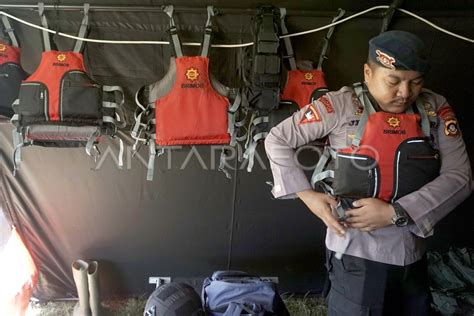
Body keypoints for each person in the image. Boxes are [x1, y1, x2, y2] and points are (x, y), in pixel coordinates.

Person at [264, 30, 472, 315]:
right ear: (368, 72)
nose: (404, 93)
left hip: (412, 248)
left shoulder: (434, 108)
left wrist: (395, 213)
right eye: (393, 81)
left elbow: (460, 177)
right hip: (355, 253)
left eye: (416, 83)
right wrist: (308, 196)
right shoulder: (339, 105)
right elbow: (277, 139)